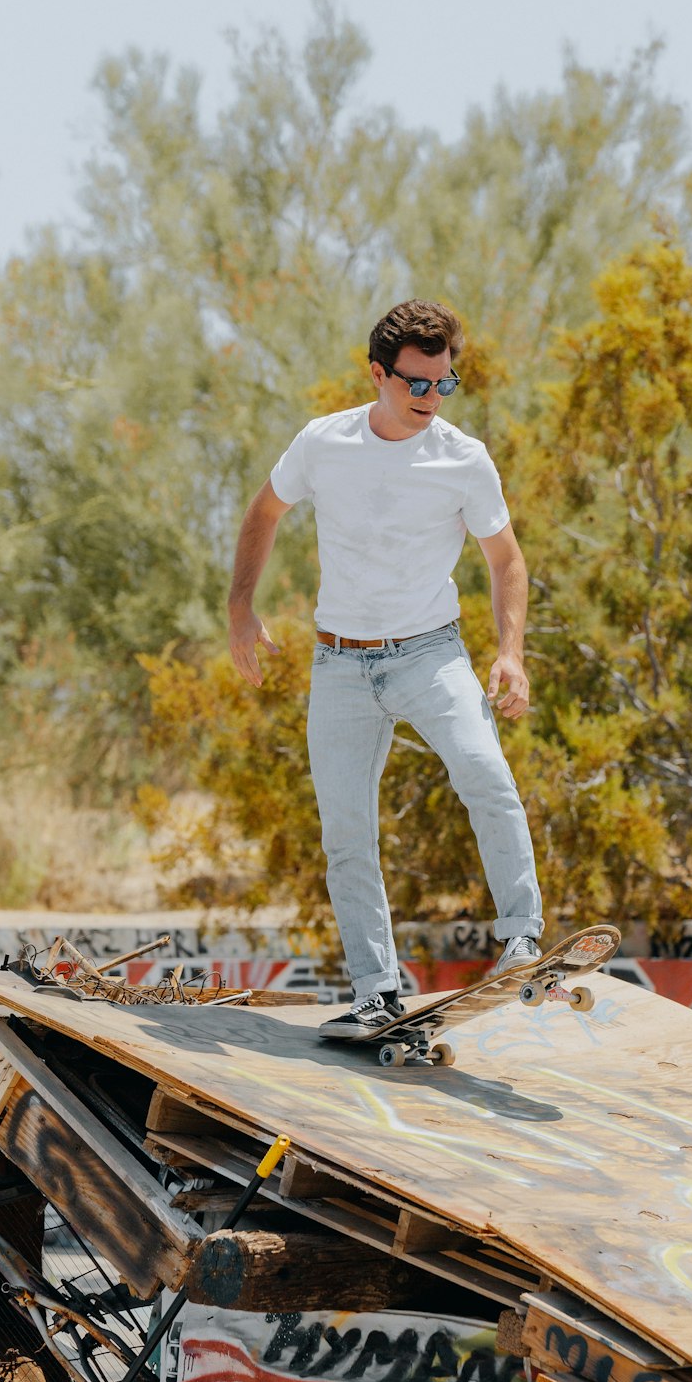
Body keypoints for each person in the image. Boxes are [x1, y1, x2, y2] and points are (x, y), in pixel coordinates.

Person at [227, 299, 545, 1038]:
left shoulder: (462, 458)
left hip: (430, 653)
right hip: (339, 664)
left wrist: (510, 652)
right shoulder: (323, 443)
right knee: (346, 836)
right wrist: (241, 608)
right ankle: (376, 991)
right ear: (378, 374)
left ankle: (522, 940)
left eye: (444, 384)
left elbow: (506, 560)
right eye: (417, 384)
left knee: (486, 775)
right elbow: (264, 512)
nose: (432, 399)